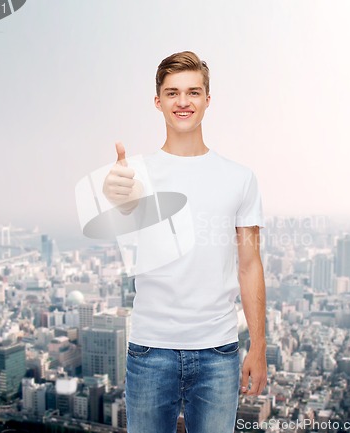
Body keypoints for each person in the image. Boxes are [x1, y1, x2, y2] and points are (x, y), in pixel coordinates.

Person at [103, 51, 267, 433]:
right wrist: (117, 195)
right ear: (157, 101)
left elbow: (250, 264)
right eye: (172, 92)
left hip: (218, 351)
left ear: (208, 100)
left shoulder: (240, 178)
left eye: (193, 92)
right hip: (149, 349)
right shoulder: (135, 173)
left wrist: (258, 345)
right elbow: (122, 213)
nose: (183, 102)